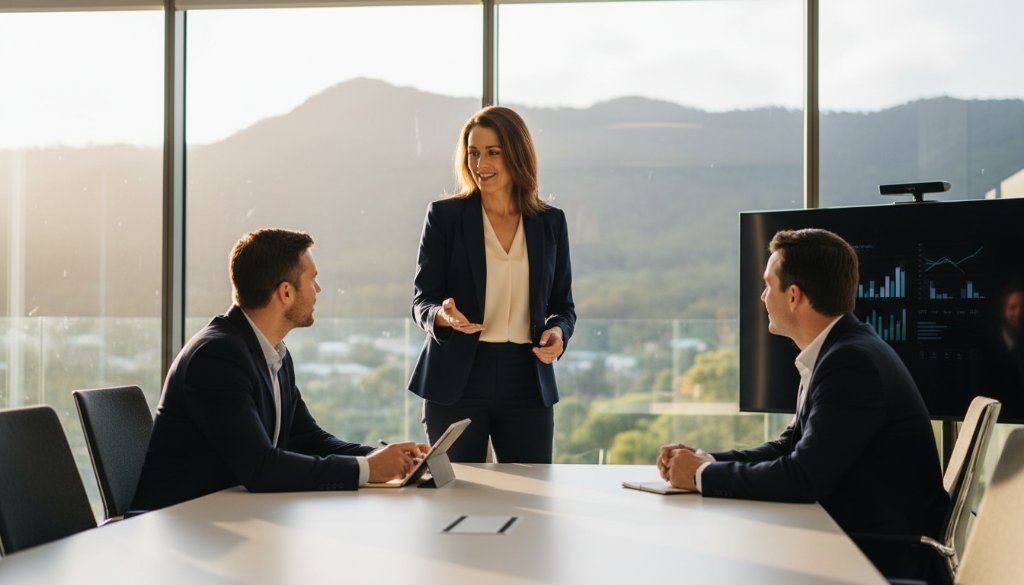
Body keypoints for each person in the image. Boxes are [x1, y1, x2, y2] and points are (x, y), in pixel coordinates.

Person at [658, 228, 947, 576]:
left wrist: (702, 475)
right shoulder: (842, 349)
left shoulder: (851, 364)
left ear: (793, 296)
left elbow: (802, 477)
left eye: (768, 285)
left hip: (878, 557)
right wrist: (708, 460)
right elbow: (791, 447)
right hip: (854, 540)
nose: (763, 296)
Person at [133, 229, 427, 511]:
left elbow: (309, 439)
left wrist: (385, 458)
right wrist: (368, 469)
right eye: (312, 280)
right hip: (182, 526)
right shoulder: (216, 357)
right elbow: (260, 468)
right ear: (285, 292)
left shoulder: (274, 354)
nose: (318, 290)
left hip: (229, 517)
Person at [407, 106, 576, 463]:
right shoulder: (445, 217)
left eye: (492, 152)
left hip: (527, 380)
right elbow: (422, 301)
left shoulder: (550, 223)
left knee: (532, 495)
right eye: (473, 153)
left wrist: (558, 334)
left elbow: (563, 306)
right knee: (455, 496)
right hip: (457, 379)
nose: (480, 163)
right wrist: (443, 316)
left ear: (517, 153)